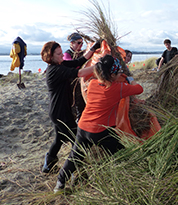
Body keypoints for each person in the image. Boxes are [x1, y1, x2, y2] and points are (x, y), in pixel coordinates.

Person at [54, 54, 144, 193]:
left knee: (75, 156)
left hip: (83, 127)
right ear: (112, 74)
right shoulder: (118, 88)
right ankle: (127, 178)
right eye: (118, 72)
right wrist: (130, 80)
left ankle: (60, 183)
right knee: (120, 152)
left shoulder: (93, 84)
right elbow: (139, 89)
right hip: (100, 130)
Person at [40, 40, 100, 174]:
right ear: (50, 57)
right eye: (59, 54)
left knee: (59, 138)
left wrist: (94, 48)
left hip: (59, 111)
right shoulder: (55, 70)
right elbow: (79, 73)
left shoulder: (61, 64)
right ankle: (74, 171)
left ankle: (48, 165)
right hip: (60, 113)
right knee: (77, 141)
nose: (62, 55)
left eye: (62, 52)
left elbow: (80, 61)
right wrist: (99, 67)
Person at [64, 33, 87, 122]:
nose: (80, 45)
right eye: (78, 43)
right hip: (72, 83)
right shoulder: (67, 54)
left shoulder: (82, 53)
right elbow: (71, 65)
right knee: (76, 104)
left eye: (82, 43)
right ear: (72, 43)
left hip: (81, 81)